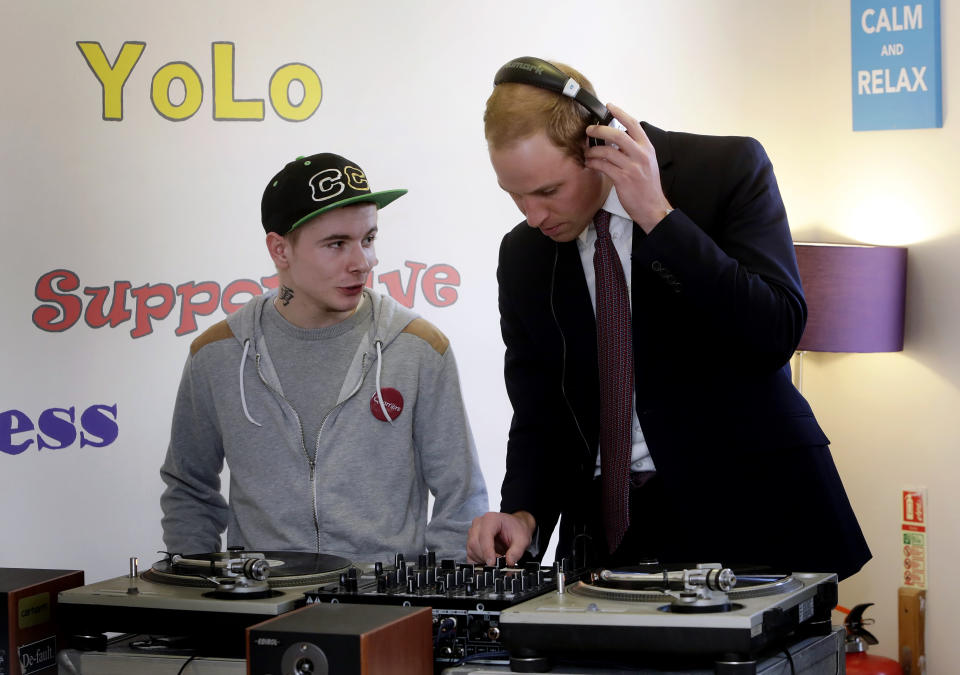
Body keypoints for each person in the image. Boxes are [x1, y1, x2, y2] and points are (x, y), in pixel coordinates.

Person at [466, 57, 871, 580]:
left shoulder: (724, 170)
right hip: (608, 541)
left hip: (754, 522)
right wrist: (523, 510)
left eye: (546, 192)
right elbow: (541, 406)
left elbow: (774, 334)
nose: (533, 215)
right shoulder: (524, 254)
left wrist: (658, 218)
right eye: (514, 195)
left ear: (599, 147)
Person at [161, 152, 488, 562]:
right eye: (337, 244)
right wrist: (200, 593)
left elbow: (462, 499)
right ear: (280, 250)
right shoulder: (217, 354)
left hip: (385, 611)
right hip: (260, 609)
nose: (364, 262)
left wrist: (436, 609)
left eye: (368, 239)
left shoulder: (418, 347)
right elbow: (188, 490)